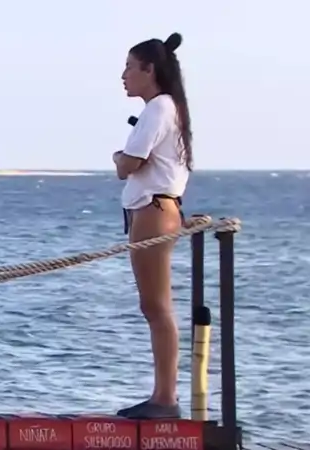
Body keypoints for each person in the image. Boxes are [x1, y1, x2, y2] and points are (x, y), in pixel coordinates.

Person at [112, 32, 193, 419]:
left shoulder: (159, 108)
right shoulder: (167, 108)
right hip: (158, 210)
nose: (123, 75)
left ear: (150, 69)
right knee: (154, 307)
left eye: (130, 67)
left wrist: (118, 157)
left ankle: (165, 398)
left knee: (158, 308)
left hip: (153, 212)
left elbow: (131, 163)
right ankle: (163, 395)